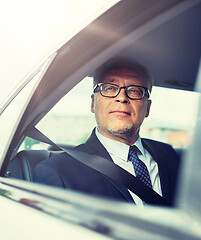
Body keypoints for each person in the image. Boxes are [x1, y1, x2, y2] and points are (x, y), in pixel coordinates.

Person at [34, 56, 180, 206]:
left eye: (135, 91)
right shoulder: (58, 171)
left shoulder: (169, 155)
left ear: (147, 108)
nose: (122, 98)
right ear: (93, 103)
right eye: (109, 88)